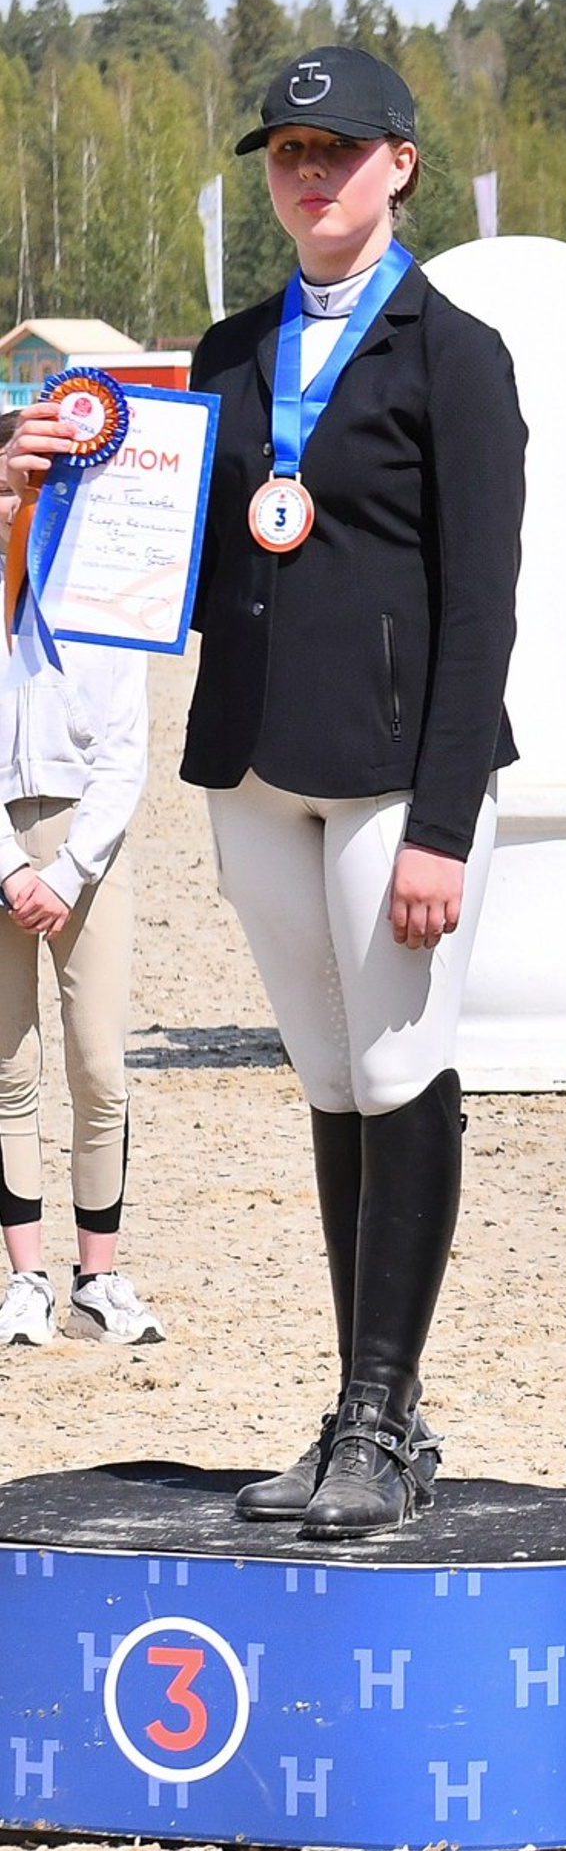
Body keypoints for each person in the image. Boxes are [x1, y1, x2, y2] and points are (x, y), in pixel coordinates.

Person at [11, 43, 526, 1534]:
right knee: (324, 1082)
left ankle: (384, 1415)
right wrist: (32, 477)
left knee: (396, 1072)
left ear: (400, 164)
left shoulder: (456, 353)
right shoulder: (228, 357)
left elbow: (481, 608)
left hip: (395, 785)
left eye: (337, 150)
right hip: (252, 765)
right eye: (288, 153)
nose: (309, 173)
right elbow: (159, 561)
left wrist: (441, 825)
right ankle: (358, 1405)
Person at [0, 463, 154, 1350]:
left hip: (87, 850)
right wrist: (11, 867)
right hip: (3, 852)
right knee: (10, 1067)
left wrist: (67, 872)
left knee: (98, 1064)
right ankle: (26, 1277)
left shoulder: (109, 603)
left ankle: (99, 1275)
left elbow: (126, 750)